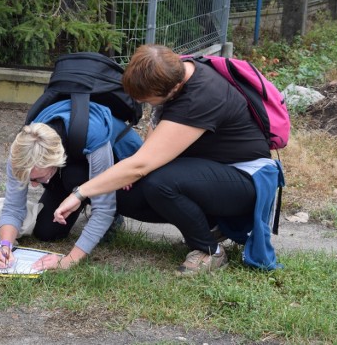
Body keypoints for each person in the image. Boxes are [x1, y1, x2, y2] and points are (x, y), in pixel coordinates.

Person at [53, 44, 281, 275]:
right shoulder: (173, 73)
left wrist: (80, 193)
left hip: (244, 181)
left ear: (173, 88)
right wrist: (123, 174)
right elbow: (150, 147)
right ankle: (209, 226)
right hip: (205, 173)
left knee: (160, 182)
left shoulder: (201, 96)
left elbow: (141, 165)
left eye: (151, 100)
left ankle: (209, 249)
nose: (150, 105)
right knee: (129, 186)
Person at [0, 100, 143, 270]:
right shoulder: (20, 152)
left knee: (74, 177)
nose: (33, 186)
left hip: (118, 162)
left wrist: (69, 260)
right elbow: (13, 207)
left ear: (56, 162)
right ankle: (75, 196)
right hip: (70, 162)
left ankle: (106, 212)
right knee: (47, 232)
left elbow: (104, 208)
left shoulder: (93, 136)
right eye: (29, 179)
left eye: (38, 179)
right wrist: (5, 246)